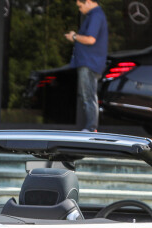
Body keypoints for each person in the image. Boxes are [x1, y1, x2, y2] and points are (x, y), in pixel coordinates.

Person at [65, 0, 108, 132]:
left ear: (88, 2)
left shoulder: (96, 16)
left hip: (89, 62)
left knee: (88, 95)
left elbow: (90, 39)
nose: (80, 9)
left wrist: (74, 36)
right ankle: (90, 127)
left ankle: (91, 128)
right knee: (87, 94)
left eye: (80, 6)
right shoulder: (95, 16)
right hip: (89, 62)